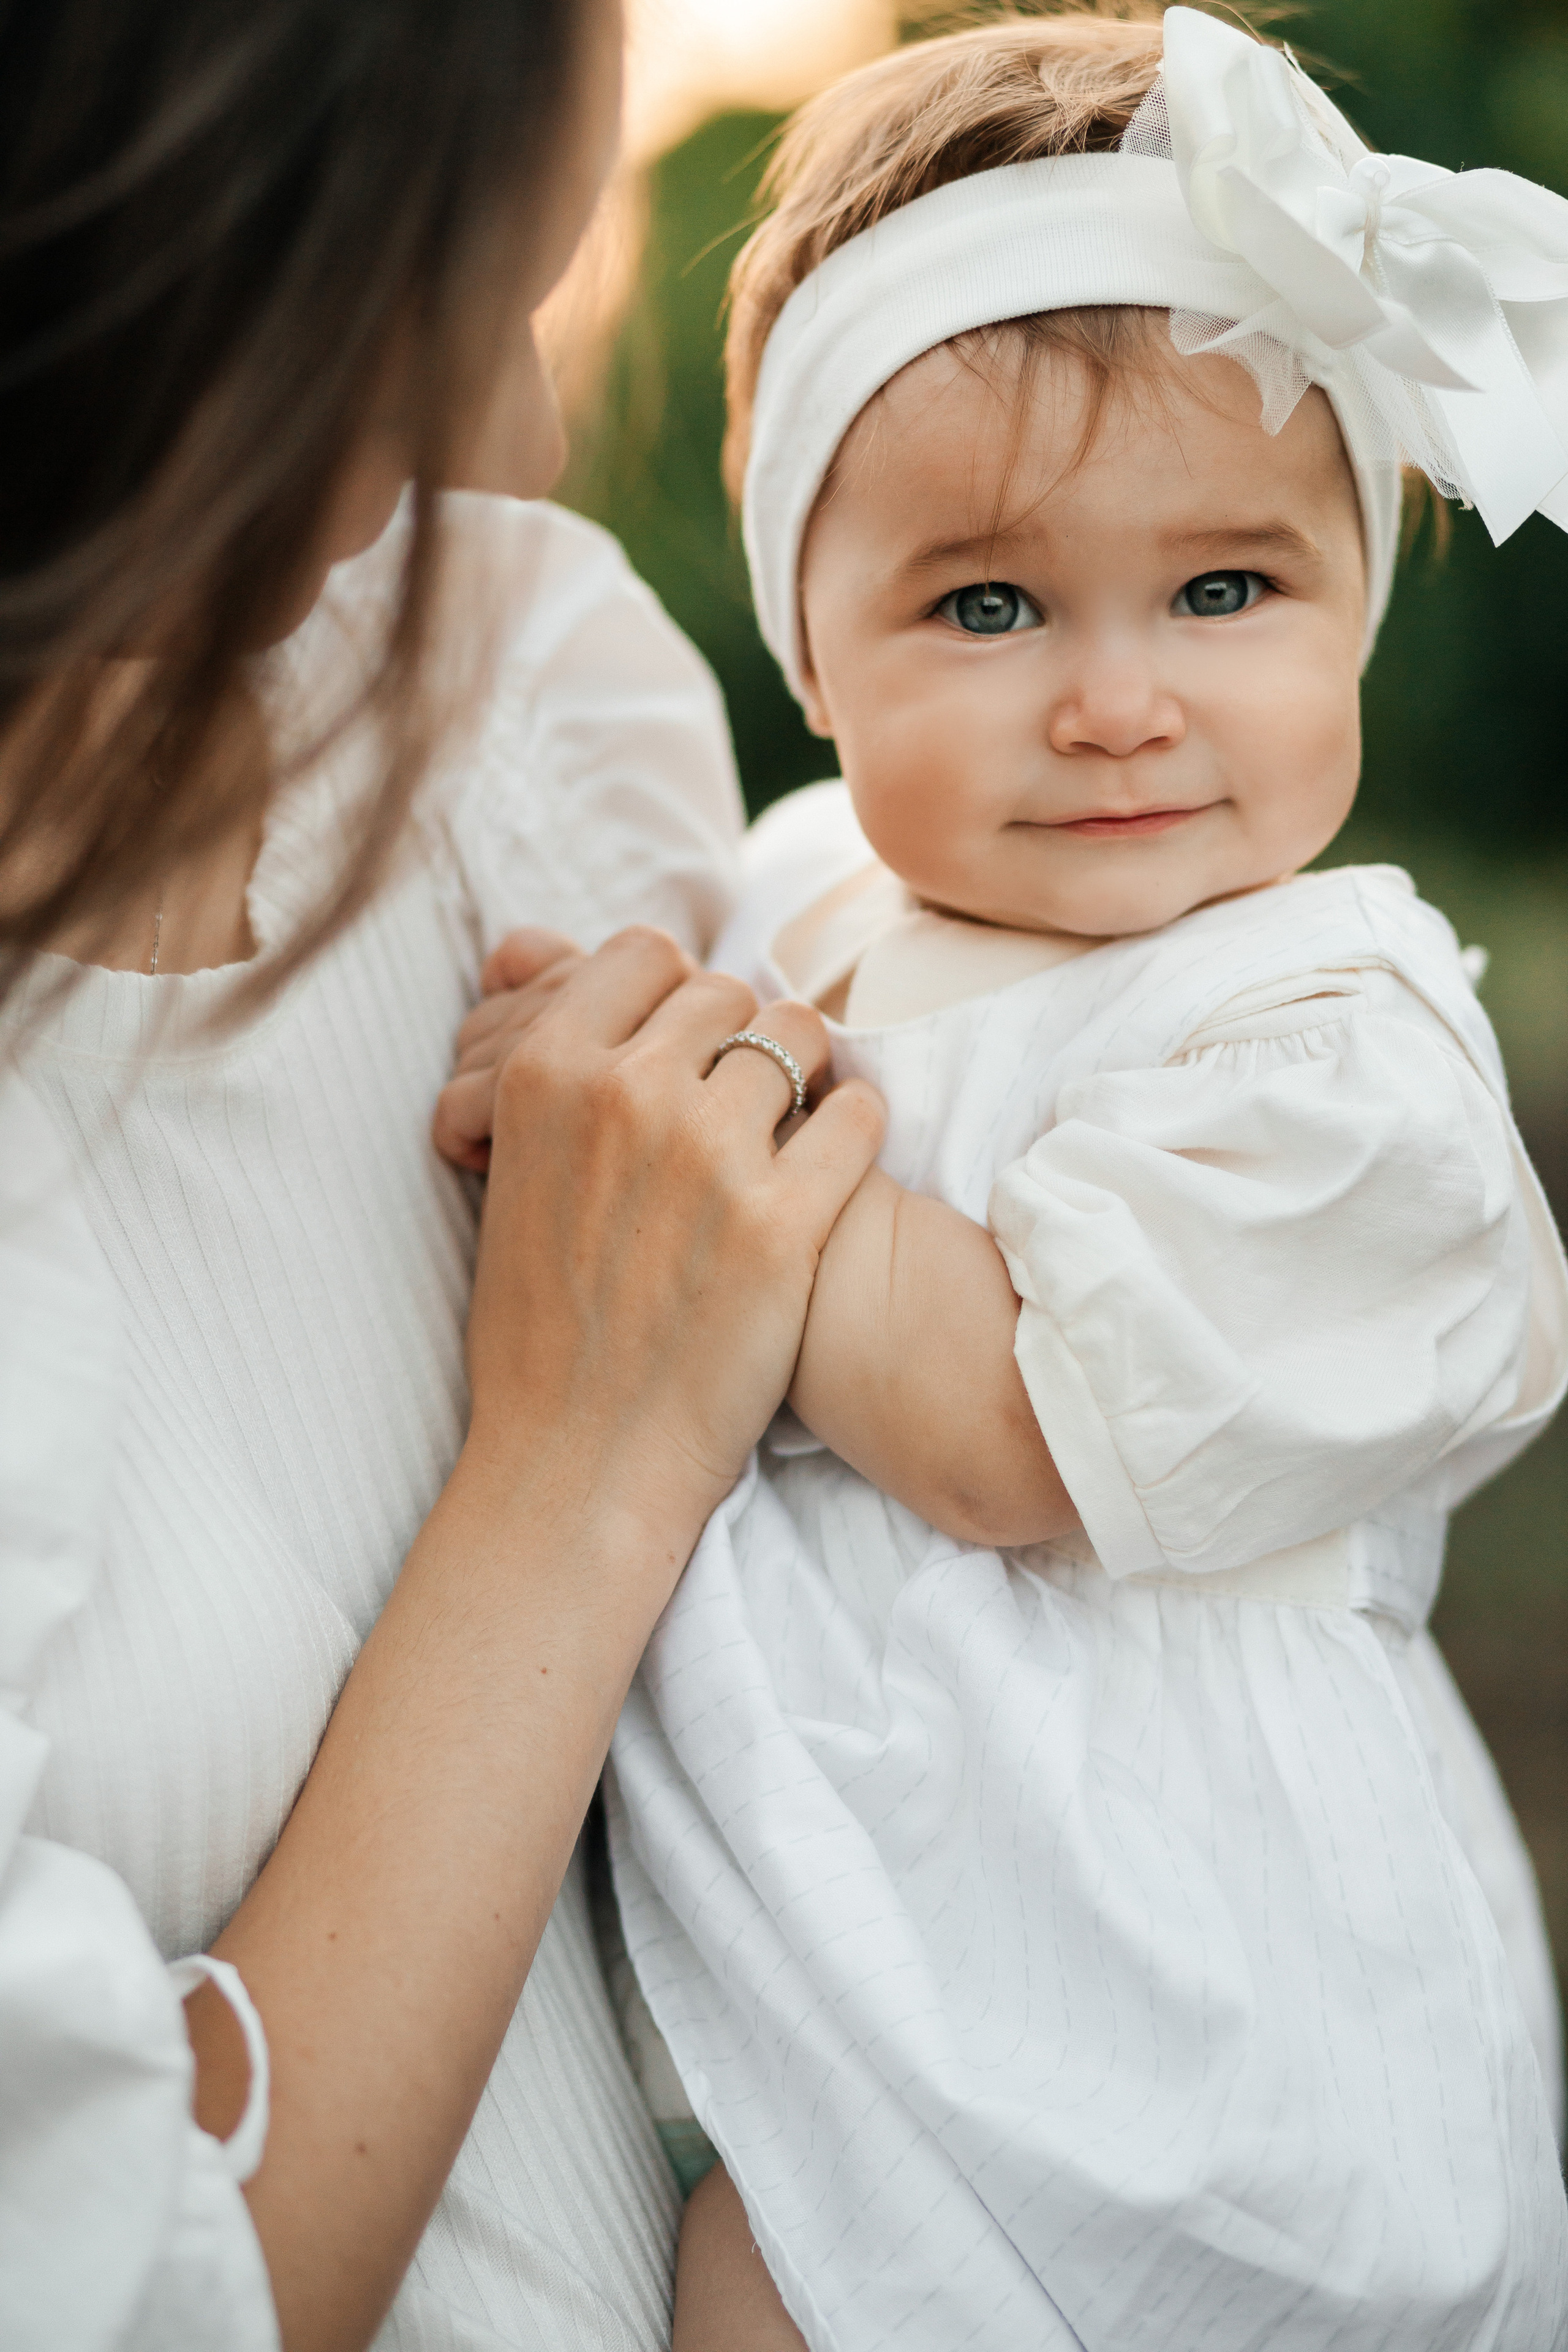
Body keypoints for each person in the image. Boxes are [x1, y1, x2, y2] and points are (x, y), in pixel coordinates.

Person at [576, 10, 1568, 2346]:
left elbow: (1011, 1427)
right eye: (990, 607)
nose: (1119, 702)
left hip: (1197, 2014)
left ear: (1355, 599)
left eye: (1224, 593)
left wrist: (684, 1112)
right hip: (901, 1943)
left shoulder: (1331, 1052)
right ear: (814, 650)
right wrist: (577, 1029)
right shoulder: (800, 899)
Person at [0, 2, 884, 2348]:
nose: (519, 442)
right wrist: (575, 1472)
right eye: (402, 327)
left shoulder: (523, 697)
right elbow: (129, 2290)